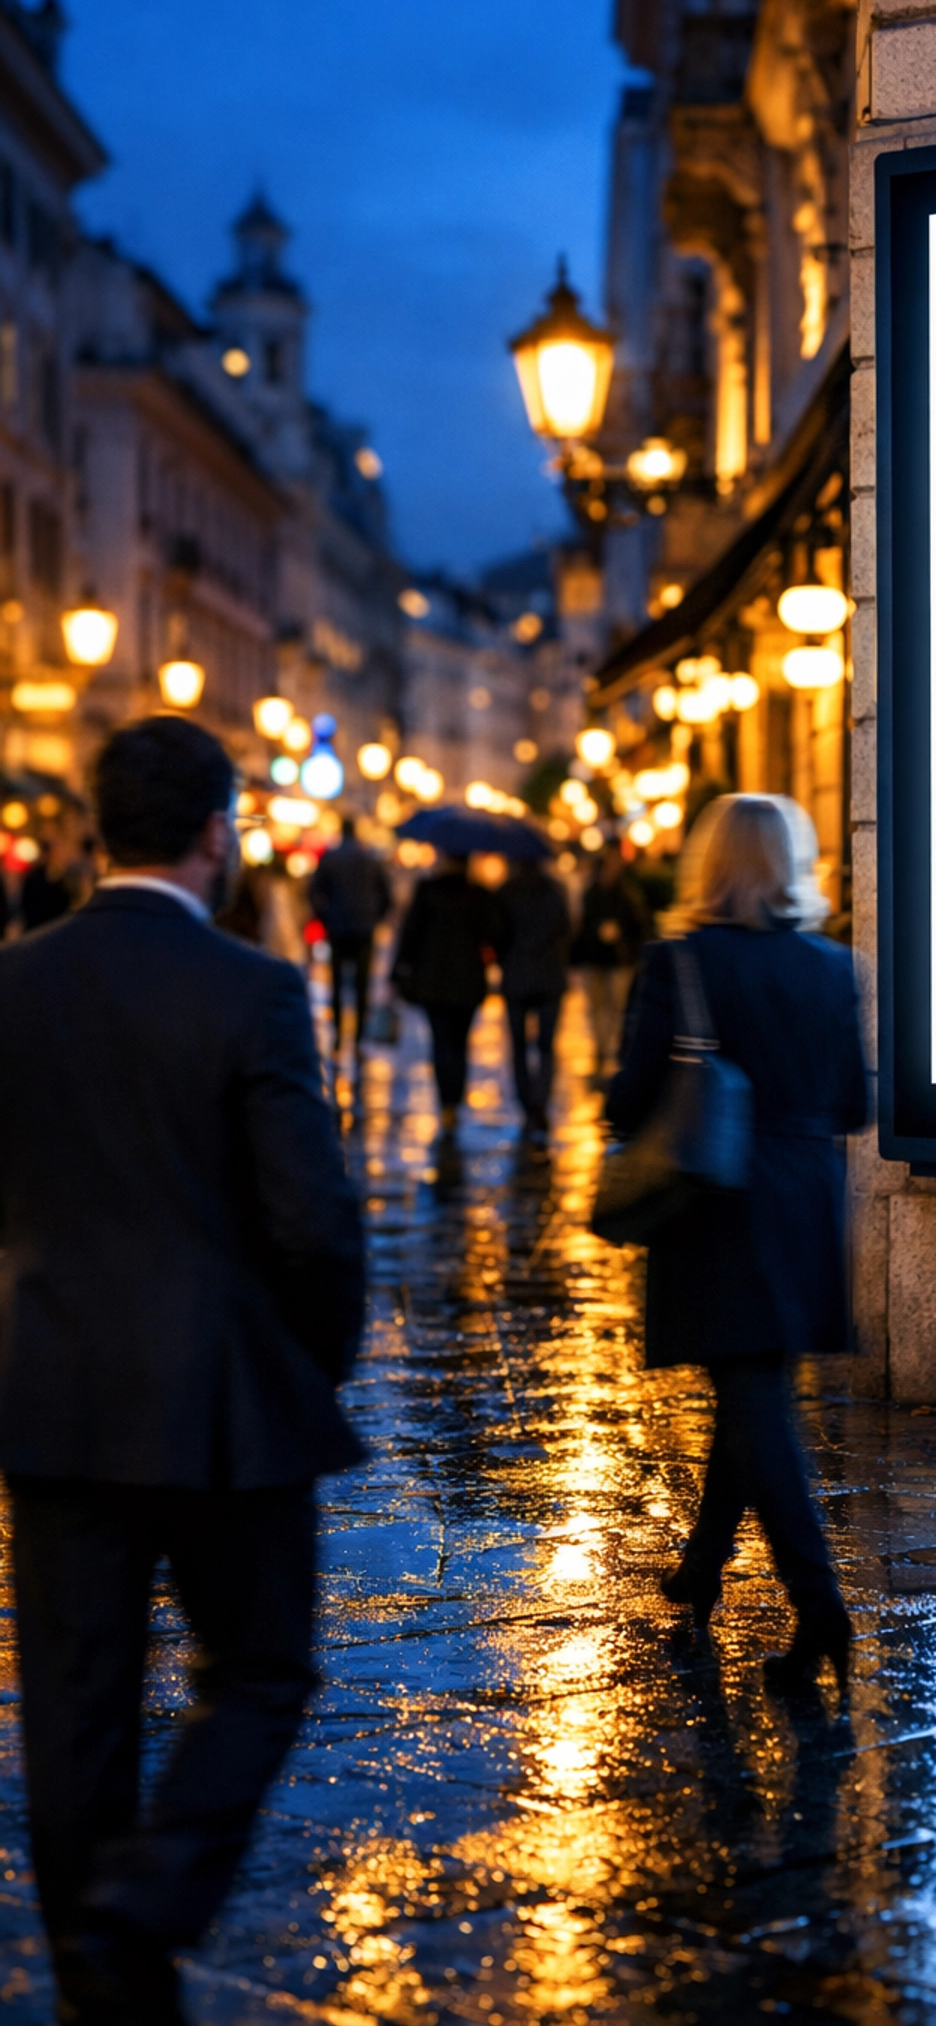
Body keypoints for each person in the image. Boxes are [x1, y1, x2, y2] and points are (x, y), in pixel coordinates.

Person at [0, 715, 366, 2023]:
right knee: (264, 1668)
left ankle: (101, 1967)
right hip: (224, 1393)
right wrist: (311, 1361)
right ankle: (145, 1905)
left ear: (97, 831)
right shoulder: (254, 991)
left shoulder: (15, 980)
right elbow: (312, 1215)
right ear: (219, 832)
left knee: (74, 1699)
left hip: (48, 1384)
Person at [605, 794, 869, 1693]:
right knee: (752, 1387)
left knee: (755, 1399)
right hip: (803, 1196)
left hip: (718, 1198)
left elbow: (629, 1099)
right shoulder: (833, 967)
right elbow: (853, 1106)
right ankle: (702, 1565)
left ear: (707, 865)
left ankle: (820, 1607)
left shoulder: (680, 962)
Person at [390, 854, 498, 1128]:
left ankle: (445, 1103)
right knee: (460, 1043)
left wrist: (398, 970)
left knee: (440, 1041)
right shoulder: (478, 894)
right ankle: (455, 1101)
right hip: (467, 982)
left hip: (433, 982)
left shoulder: (428, 891)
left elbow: (410, 933)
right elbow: (496, 933)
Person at [496, 853, 571, 1143]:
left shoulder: (506, 891)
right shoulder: (555, 890)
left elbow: (497, 934)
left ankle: (527, 1104)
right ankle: (540, 1102)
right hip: (550, 977)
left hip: (516, 977)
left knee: (517, 1046)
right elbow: (565, 929)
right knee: (546, 1046)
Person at [570, 838, 651, 1076]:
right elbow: (581, 924)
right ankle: (600, 1049)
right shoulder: (591, 890)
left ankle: (613, 1050)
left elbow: (640, 924)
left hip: (619, 958)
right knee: (596, 1005)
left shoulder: (628, 890)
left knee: (616, 1006)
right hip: (593, 955)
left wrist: (624, 939)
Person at [308, 817, 392, 1042]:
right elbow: (387, 896)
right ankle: (358, 1037)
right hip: (364, 930)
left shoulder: (331, 858)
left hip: (337, 929)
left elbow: (314, 891)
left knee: (335, 983)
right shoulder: (369, 858)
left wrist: (324, 918)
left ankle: (337, 1033)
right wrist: (375, 919)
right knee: (361, 985)